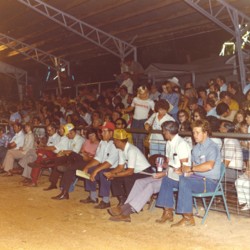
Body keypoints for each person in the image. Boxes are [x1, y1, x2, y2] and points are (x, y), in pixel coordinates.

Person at [107, 121, 191, 223]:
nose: (163, 133)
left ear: (168, 132)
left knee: (150, 186)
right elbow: (169, 163)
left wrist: (164, 173)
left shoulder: (181, 144)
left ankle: (125, 211)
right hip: (168, 174)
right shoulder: (169, 143)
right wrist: (161, 164)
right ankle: (126, 209)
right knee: (140, 182)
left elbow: (184, 168)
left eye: (164, 131)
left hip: (177, 178)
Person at [156, 119, 221, 227]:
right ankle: (168, 212)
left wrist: (190, 169)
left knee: (184, 182)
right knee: (168, 179)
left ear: (205, 133)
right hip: (196, 179)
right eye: (193, 132)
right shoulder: (196, 148)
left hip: (209, 182)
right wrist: (183, 170)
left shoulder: (212, 147)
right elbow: (194, 167)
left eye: (197, 132)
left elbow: (209, 165)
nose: (194, 135)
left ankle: (188, 218)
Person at [104, 129, 154, 208]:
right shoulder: (121, 149)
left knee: (127, 179)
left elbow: (130, 172)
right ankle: (122, 199)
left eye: (115, 140)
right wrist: (111, 173)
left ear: (119, 141)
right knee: (114, 177)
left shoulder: (131, 150)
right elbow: (120, 167)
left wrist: (114, 174)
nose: (113, 142)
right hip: (136, 172)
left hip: (144, 172)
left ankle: (133, 203)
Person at [51, 128, 100, 200]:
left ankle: (64, 193)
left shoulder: (99, 144)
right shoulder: (87, 141)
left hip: (90, 162)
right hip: (81, 159)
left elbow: (97, 158)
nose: (90, 137)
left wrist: (88, 157)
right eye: (89, 136)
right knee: (72, 154)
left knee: (69, 169)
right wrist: (84, 154)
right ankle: (64, 193)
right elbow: (81, 151)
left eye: (92, 135)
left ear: (96, 135)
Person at [79, 121, 118, 209]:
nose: (102, 134)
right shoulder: (102, 142)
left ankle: (106, 201)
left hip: (114, 168)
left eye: (105, 131)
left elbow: (109, 163)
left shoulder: (115, 144)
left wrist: (96, 170)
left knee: (103, 173)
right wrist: (87, 167)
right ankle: (93, 197)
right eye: (101, 131)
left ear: (111, 132)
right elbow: (98, 158)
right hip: (104, 166)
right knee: (89, 170)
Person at [122, 85, 155, 153]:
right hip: (135, 121)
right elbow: (131, 108)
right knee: (134, 138)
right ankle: (136, 153)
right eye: (142, 94)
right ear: (139, 93)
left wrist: (150, 121)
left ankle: (141, 155)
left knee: (141, 139)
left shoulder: (150, 102)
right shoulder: (135, 99)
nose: (144, 95)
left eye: (145, 93)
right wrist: (124, 110)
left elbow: (155, 112)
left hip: (144, 121)